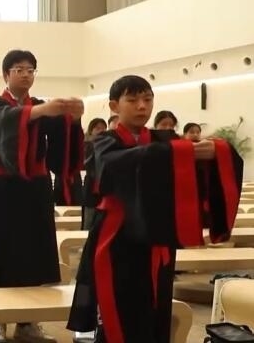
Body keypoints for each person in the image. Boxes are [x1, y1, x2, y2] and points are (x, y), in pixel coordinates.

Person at [67, 75, 242, 343]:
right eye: (132, 100)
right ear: (114, 106)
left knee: (157, 307)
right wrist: (179, 153)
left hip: (158, 236)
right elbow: (112, 165)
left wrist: (216, 151)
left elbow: (197, 157)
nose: (142, 106)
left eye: (147, 99)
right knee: (120, 308)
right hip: (118, 236)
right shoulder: (104, 141)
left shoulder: (163, 139)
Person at [0, 49, 84, 342]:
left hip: (36, 186)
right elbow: (7, 123)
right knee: (5, 253)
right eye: (19, 69)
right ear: (6, 74)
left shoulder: (40, 106)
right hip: (2, 188)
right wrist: (43, 111)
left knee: (33, 254)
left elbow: (62, 136)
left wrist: (73, 118)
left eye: (30, 70)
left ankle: (27, 323)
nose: (26, 74)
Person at [82, 118, 108, 230]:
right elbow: (87, 164)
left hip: (104, 190)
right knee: (88, 222)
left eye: (103, 128)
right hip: (91, 189)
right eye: (97, 128)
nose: (101, 131)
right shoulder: (87, 145)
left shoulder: (108, 145)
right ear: (91, 130)